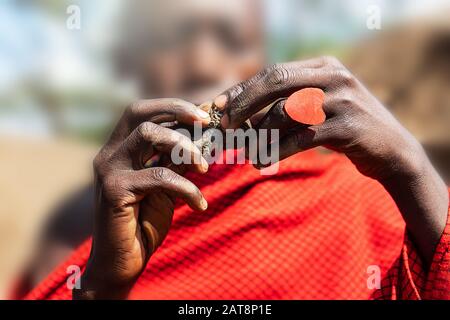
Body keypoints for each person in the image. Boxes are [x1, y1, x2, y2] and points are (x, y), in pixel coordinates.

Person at [25, 0, 449, 299]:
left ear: (260, 61)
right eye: (172, 38)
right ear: (126, 58)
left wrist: (408, 167)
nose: (205, 64)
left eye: (231, 40)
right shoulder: (80, 224)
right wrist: (104, 286)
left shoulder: (354, 197)